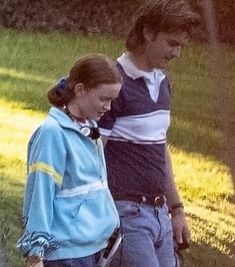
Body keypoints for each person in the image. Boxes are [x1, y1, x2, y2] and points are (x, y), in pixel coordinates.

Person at [98, 0, 200, 266]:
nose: (177, 53)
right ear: (148, 32)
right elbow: (92, 155)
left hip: (159, 213)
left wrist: (176, 210)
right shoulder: (113, 84)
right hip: (126, 214)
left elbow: (159, 150)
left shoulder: (163, 83)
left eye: (181, 46)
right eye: (172, 43)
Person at [17, 53, 122, 267]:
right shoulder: (52, 133)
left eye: (112, 100)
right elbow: (40, 195)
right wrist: (35, 253)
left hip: (94, 247)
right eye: (103, 98)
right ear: (80, 90)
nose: (108, 107)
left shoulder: (89, 129)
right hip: (67, 255)